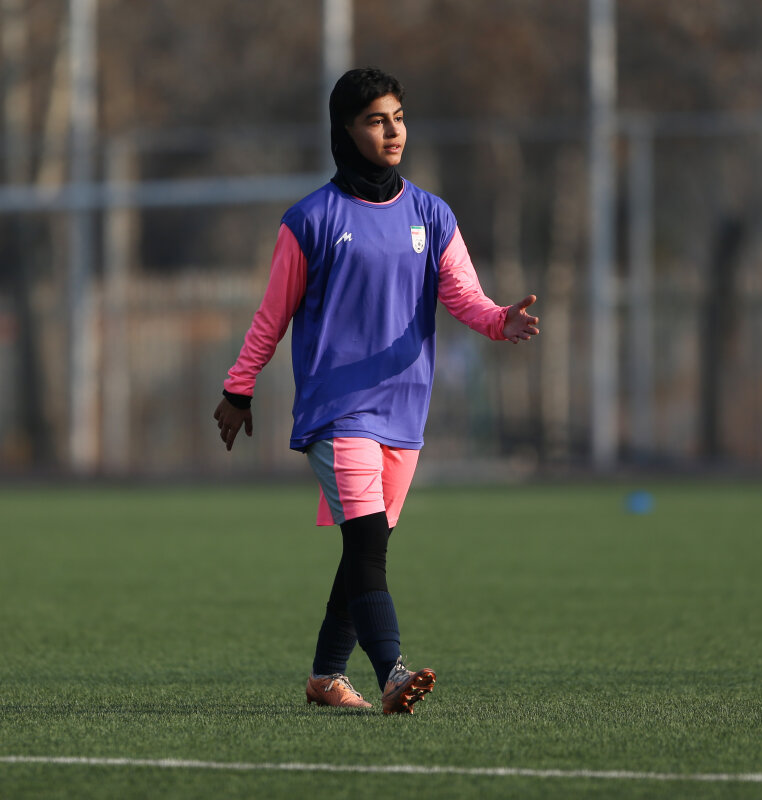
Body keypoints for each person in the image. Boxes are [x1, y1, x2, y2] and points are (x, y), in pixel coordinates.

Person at [213, 67, 539, 715]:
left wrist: (499, 321)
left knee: (366, 550)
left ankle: (324, 678)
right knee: (367, 548)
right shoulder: (310, 220)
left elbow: (464, 296)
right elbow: (271, 316)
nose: (393, 132)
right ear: (345, 131)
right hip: (338, 415)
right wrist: (238, 388)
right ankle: (393, 673)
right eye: (375, 121)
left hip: (404, 414)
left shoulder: (431, 214)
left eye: (398, 118)